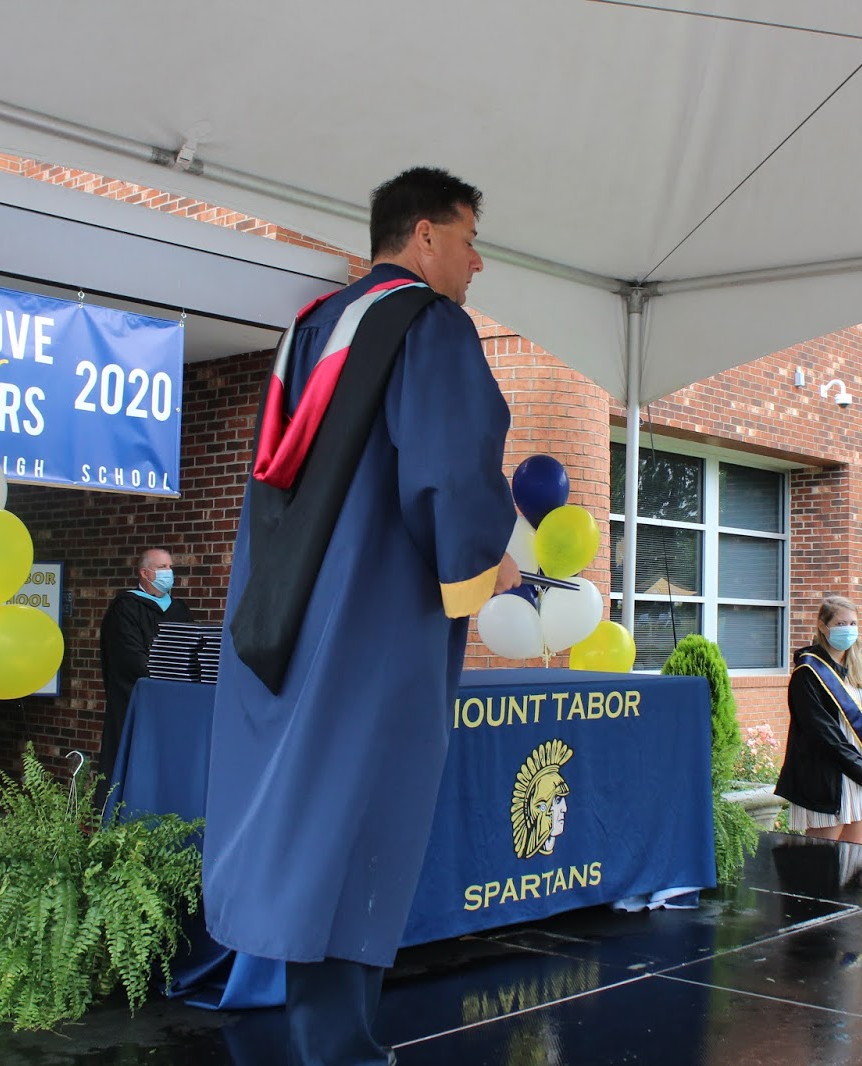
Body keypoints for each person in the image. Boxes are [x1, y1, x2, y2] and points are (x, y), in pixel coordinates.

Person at [205, 166, 518, 1066]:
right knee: (361, 812)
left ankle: (320, 1031)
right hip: (374, 609)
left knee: (303, 810)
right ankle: (338, 1048)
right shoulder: (427, 323)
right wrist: (482, 563)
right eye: (467, 239)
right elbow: (448, 468)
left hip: (288, 600)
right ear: (424, 236)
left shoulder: (311, 327)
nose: (476, 262)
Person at [775, 595, 862, 845]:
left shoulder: (859, 669)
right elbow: (822, 733)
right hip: (827, 777)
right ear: (822, 625)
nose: (848, 630)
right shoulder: (807, 673)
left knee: (856, 864)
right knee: (821, 864)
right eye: (841, 624)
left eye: (853, 624)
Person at [97, 548, 193, 778]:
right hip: (137, 698)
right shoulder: (126, 608)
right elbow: (129, 657)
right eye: (162, 568)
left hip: (173, 698)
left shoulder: (178, 609)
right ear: (144, 573)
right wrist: (159, 677)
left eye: (170, 567)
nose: (168, 573)